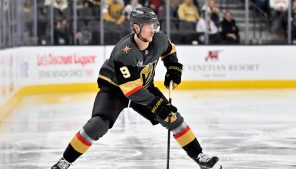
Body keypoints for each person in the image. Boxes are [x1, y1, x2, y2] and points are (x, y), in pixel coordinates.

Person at [51, 7, 220, 169]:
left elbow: (170, 50)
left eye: (155, 25)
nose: (153, 30)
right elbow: (130, 91)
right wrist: (157, 105)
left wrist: (173, 67)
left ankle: (199, 157)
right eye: (148, 27)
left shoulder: (159, 39)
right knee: (97, 125)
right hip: (115, 90)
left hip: (144, 87)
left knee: (173, 118)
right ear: (136, 27)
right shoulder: (124, 52)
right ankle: (64, 161)